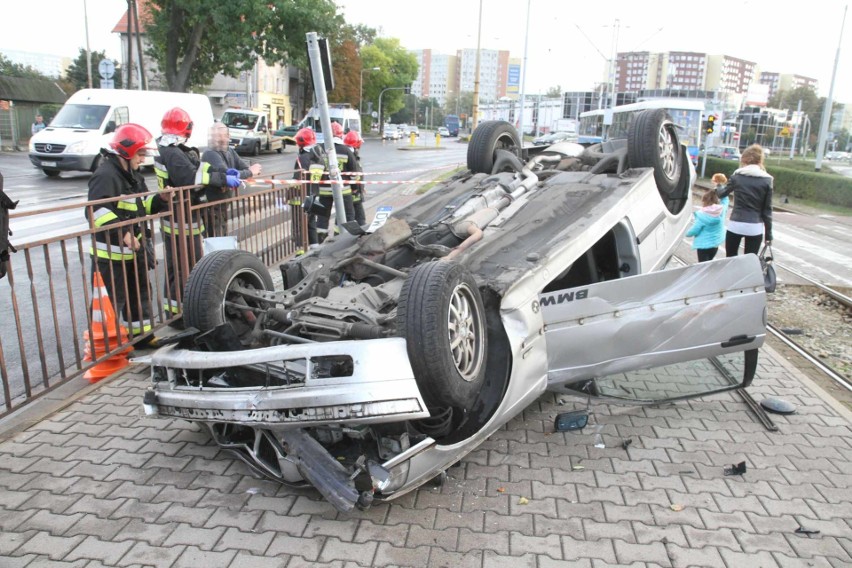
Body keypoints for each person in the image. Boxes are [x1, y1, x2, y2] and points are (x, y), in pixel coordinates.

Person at [154, 107, 239, 320]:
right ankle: (179, 314)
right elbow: (192, 178)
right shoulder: (172, 153)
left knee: (186, 266)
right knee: (184, 268)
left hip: (184, 215)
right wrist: (222, 179)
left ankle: (179, 311)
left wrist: (221, 173)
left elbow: (200, 170)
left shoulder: (174, 150)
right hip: (179, 218)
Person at [85, 123, 157, 344]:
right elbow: (96, 211)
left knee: (139, 297)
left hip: (133, 252)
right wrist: (123, 234)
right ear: (127, 151)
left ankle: (142, 338)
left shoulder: (132, 175)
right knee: (110, 301)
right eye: (141, 153)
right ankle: (106, 347)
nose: (143, 159)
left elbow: (143, 204)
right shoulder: (106, 175)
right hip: (110, 256)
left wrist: (162, 200)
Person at [201, 122, 261, 237]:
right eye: (214, 134)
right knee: (215, 235)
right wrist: (249, 172)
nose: (215, 137)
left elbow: (242, 167)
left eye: (219, 134)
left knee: (221, 232)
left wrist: (245, 172)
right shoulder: (210, 153)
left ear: (228, 137)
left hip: (222, 202)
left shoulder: (229, 150)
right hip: (212, 204)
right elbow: (226, 174)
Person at [717, 144, 773, 257]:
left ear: (744, 159)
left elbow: (721, 194)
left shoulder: (737, 176)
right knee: (749, 262)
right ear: (760, 160)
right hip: (755, 227)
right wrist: (768, 235)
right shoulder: (767, 180)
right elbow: (767, 211)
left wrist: (718, 185)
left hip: (736, 223)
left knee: (731, 258)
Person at [313, 121, 357, 242]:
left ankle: (319, 240)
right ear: (340, 134)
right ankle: (340, 239)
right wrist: (354, 188)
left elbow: (314, 171)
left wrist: (315, 188)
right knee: (346, 215)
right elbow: (354, 172)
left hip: (324, 190)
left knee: (322, 216)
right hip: (344, 190)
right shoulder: (346, 150)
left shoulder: (319, 149)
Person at [293, 127, 325, 249]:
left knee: (299, 225)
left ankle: (300, 250)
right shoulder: (319, 157)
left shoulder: (302, 159)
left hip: (300, 196)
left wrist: (289, 194)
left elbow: (297, 179)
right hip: (313, 195)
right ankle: (314, 247)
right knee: (311, 223)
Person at [685, 179, 729, 262]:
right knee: (709, 262)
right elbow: (725, 200)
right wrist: (720, 188)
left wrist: (686, 233)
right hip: (715, 245)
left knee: (702, 265)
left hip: (703, 246)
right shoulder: (721, 210)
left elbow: (695, 230)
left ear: (704, 201)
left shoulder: (702, 215)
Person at [343, 130, 367, 226]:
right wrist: (356, 188)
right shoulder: (351, 155)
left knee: (351, 216)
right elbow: (354, 174)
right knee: (358, 217)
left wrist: (361, 188)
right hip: (352, 192)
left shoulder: (349, 153)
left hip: (353, 191)